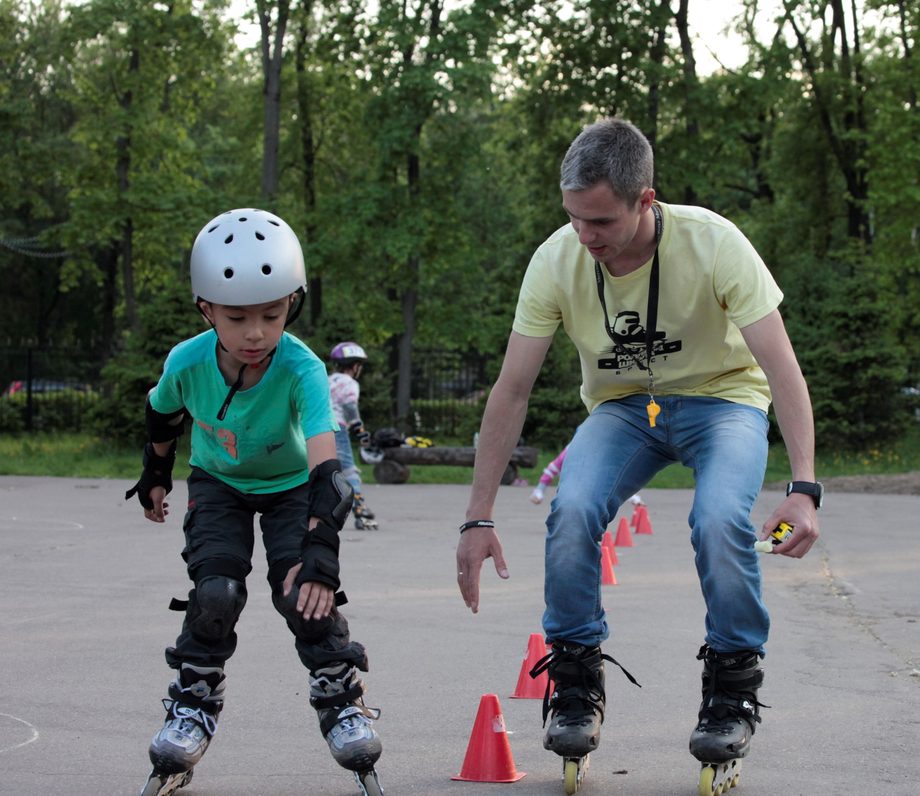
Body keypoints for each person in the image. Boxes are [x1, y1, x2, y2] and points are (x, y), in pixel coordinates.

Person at [456, 119, 821, 790]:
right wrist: (477, 516)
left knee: (719, 520)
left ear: (645, 200)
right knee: (571, 511)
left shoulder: (715, 244)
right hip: (625, 410)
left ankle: (733, 687)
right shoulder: (556, 260)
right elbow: (512, 389)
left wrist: (805, 486)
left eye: (599, 221)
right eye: (572, 218)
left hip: (725, 401)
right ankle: (572, 682)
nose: (584, 237)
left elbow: (782, 367)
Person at [125, 209, 383, 796]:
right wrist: (156, 471)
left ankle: (342, 699)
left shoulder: (302, 368)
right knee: (217, 591)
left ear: (292, 302)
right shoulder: (186, 361)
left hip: (293, 484)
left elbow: (328, 468)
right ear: (205, 308)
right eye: (236, 318)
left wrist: (321, 551)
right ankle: (191, 705)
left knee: (303, 593)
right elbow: (163, 412)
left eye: (271, 315)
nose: (256, 334)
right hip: (218, 484)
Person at [328, 342, 379, 530]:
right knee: (349, 470)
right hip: (337, 429)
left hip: (316, 429)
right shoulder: (350, 383)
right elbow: (349, 407)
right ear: (355, 366)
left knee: (321, 469)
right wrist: (361, 432)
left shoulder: (327, 379)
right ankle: (361, 511)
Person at [530, 443, 644, 508]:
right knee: (566, 501)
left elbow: (615, 477)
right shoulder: (571, 450)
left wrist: (632, 497)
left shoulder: (602, 453)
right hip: (570, 484)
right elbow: (552, 469)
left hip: (591, 487)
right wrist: (539, 491)